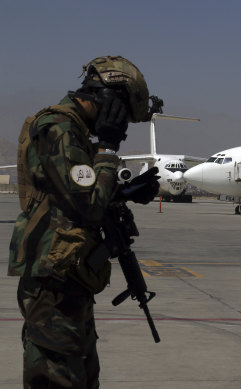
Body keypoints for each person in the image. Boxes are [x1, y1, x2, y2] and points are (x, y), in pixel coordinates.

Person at [8, 55, 162, 388]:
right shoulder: (60, 129)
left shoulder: (72, 133)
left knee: (82, 373)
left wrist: (124, 191)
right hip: (54, 281)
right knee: (58, 376)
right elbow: (88, 205)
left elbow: (72, 194)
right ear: (107, 97)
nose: (120, 126)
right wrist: (106, 151)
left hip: (67, 275)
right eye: (121, 114)